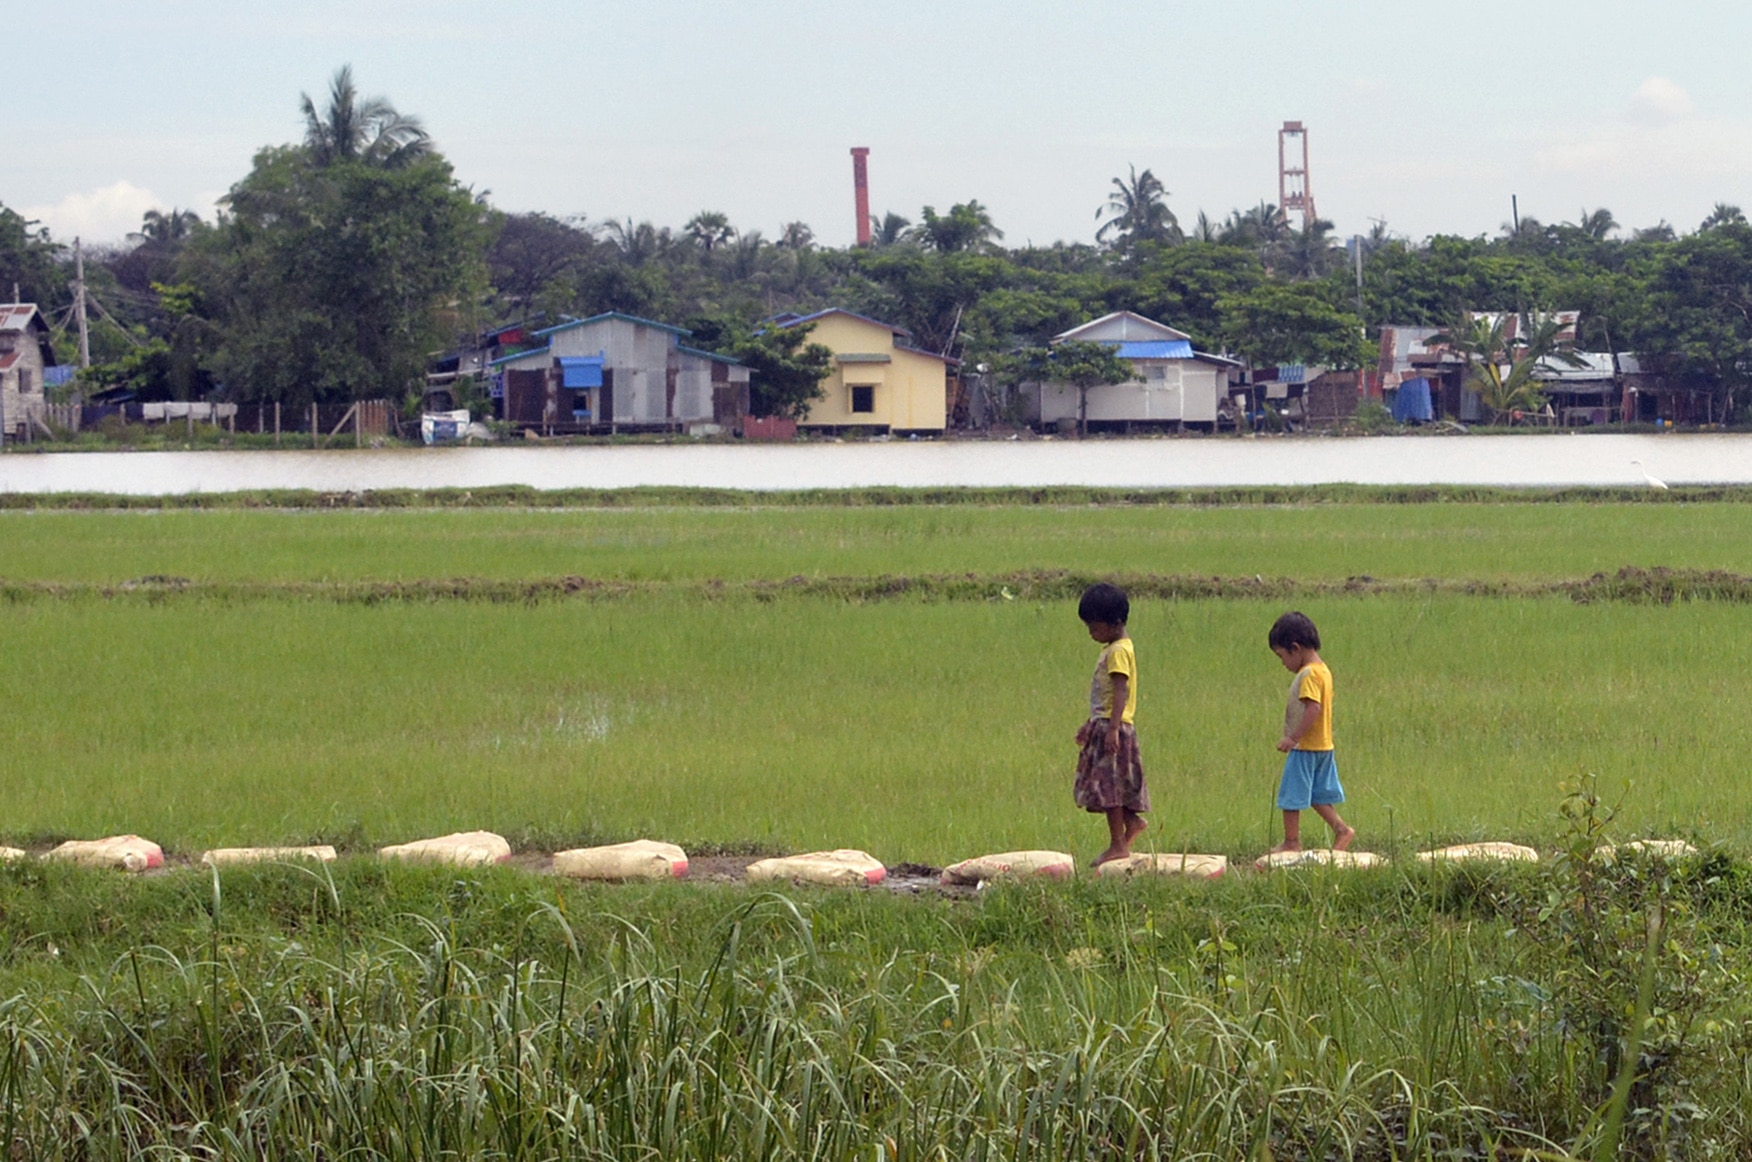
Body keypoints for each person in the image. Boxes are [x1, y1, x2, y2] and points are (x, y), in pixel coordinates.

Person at [1073, 583, 1149, 866]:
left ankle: (1118, 844)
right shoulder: (1119, 647)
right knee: (1105, 787)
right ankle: (1132, 824)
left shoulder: (1117, 652)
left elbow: (1120, 690)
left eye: (1094, 626)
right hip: (1105, 723)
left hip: (1112, 727)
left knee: (1110, 789)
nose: (1091, 633)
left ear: (1112, 623)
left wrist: (1113, 728)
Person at [1267, 611, 1354, 855]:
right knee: (1316, 795)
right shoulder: (1323, 670)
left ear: (1295, 648)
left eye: (1282, 656)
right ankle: (1342, 830)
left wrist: (1292, 738)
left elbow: (1313, 707)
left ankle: (1291, 842)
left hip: (1305, 747)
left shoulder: (1308, 675)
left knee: (1291, 795)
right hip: (1324, 746)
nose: (1283, 663)